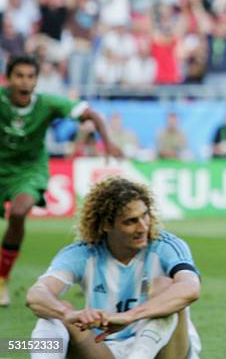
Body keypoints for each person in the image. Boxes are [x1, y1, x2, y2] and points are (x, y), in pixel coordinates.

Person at [26, 176, 202, 359]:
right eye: (130, 221)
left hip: (164, 351)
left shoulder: (166, 245)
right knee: (53, 313)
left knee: (165, 288)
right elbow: (37, 294)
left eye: (145, 215)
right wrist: (68, 313)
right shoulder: (83, 252)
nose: (143, 227)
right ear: (106, 225)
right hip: (104, 348)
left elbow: (191, 288)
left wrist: (130, 316)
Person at [0, 54, 123, 307]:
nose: (25, 82)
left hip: (29, 171)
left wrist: (107, 142)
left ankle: (2, 279)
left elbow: (92, 115)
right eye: (19, 76)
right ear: (8, 79)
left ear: (37, 80)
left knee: (20, 211)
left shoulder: (47, 103)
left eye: (31, 76)